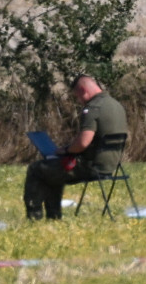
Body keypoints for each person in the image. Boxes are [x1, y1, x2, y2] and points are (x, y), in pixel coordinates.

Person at [24, 75, 128, 220]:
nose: (79, 101)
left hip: (91, 167)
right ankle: (53, 217)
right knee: (53, 171)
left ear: (84, 90)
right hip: (111, 165)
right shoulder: (116, 105)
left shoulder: (93, 108)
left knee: (37, 169)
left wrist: (65, 150)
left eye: (78, 97)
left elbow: (83, 143)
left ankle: (35, 216)